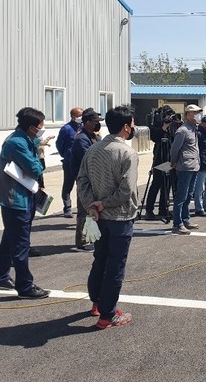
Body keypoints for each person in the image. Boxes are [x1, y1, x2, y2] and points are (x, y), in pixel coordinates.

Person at [76, 105, 139, 329]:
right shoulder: (127, 153)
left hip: (98, 216)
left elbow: (81, 181)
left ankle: (97, 303)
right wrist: (104, 204)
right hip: (119, 217)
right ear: (125, 127)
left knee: (100, 259)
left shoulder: (92, 150)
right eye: (132, 124)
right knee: (115, 265)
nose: (133, 128)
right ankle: (108, 314)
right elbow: (126, 190)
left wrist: (91, 206)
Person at [0, 107, 50, 299]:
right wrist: (39, 153)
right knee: (21, 243)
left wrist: (38, 143)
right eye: (40, 126)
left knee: (11, 238)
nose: (42, 129)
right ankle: (25, 286)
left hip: (22, 196)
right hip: (15, 199)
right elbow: (35, 169)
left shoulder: (23, 139)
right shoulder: (17, 144)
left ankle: (1, 276)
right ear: (32, 128)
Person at [71, 108, 103, 250]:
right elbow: (91, 159)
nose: (97, 124)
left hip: (94, 178)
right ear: (88, 122)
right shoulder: (81, 139)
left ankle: (89, 237)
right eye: (95, 122)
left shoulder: (93, 136)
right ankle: (81, 240)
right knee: (84, 210)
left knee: (92, 209)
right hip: (85, 179)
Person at [170, 104, 202, 235]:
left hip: (194, 166)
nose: (198, 115)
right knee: (181, 196)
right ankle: (177, 223)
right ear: (189, 114)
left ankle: (185, 218)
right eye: (195, 112)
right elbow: (174, 149)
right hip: (184, 166)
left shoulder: (194, 129)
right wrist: (173, 162)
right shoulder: (182, 130)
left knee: (189, 195)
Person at [145, 106, 174, 221]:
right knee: (156, 184)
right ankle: (149, 210)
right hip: (159, 158)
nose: (170, 118)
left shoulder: (172, 126)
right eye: (168, 115)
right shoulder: (156, 126)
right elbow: (155, 138)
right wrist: (164, 126)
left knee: (167, 185)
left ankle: (163, 209)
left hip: (169, 158)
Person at [56, 107, 83, 218]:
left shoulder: (83, 127)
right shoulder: (66, 129)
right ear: (73, 116)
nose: (81, 118)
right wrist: (66, 154)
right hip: (69, 162)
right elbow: (59, 144)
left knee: (81, 185)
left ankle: (80, 207)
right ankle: (67, 208)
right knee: (68, 185)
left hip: (80, 162)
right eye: (79, 115)